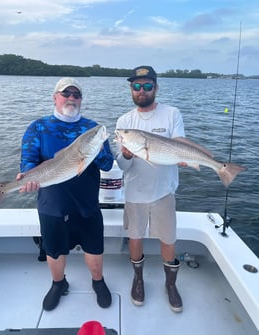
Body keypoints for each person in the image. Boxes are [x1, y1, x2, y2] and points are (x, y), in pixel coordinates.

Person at [17, 77, 113, 311]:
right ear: (55, 97)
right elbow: (28, 161)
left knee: (94, 247)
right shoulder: (38, 127)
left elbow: (108, 164)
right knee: (54, 249)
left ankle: (98, 282)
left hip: (86, 203)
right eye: (65, 93)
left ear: (81, 100)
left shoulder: (93, 129)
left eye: (76, 94)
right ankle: (58, 284)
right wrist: (28, 177)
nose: (71, 98)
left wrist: (97, 150)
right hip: (52, 204)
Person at [115, 66, 185, 312]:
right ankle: (138, 279)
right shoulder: (125, 122)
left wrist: (186, 156)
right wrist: (125, 154)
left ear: (156, 87)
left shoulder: (172, 113)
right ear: (131, 89)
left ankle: (171, 284)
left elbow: (179, 145)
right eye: (136, 86)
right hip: (135, 192)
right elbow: (122, 165)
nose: (141, 90)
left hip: (164, 190)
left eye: (146, 86)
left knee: (168, 239)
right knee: (135, 237)